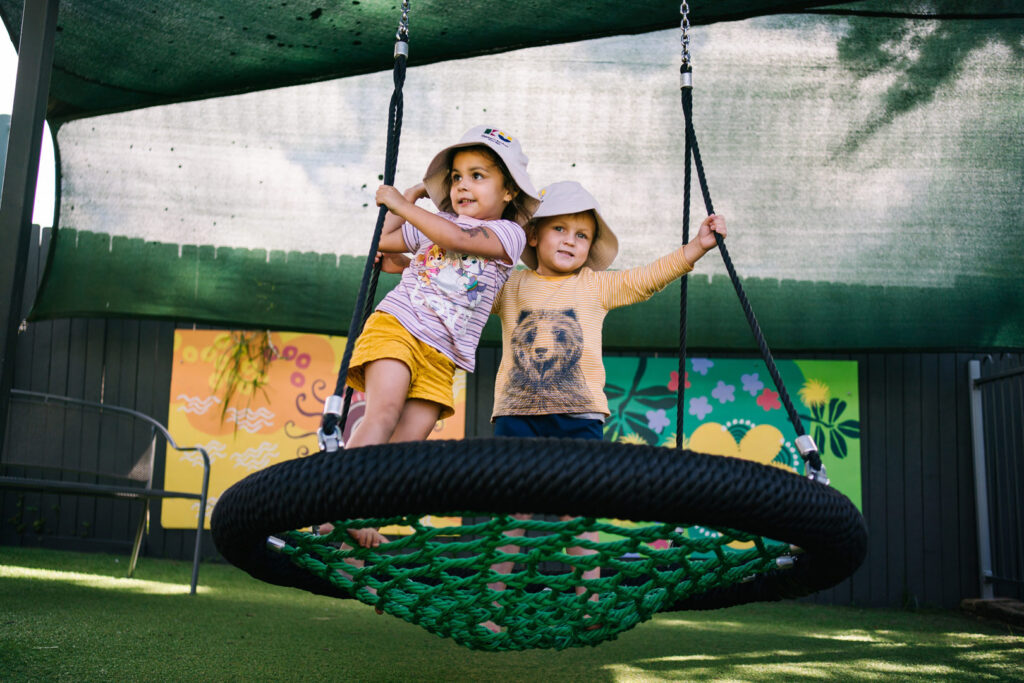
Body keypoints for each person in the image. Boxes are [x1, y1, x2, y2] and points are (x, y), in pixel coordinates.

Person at [485, 180, 727, 623]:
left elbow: (645, 279)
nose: (571, 241)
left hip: (578, 418)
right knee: (509, 516)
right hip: (517, 415)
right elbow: (458, 285)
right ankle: (492, 605)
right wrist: (404, 263)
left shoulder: (594, 287)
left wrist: (696, 247)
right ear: (534, 235)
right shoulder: (511, 286)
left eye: (582, 235)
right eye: (560, 229)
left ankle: (589, 604)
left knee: (577, 515)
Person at [321, 125, 540, 551]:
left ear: (509, 191)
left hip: (443, 355)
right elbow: (382, 241)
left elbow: (456, 238)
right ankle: (337, 502)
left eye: (478, 176)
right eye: (455, 177)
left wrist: (405, 204)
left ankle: (355, 524)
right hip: (400, 326)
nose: (462, 186)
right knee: (382, 412)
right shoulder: (433, 221)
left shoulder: (509, 234)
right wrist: (414, 194)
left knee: (406, 446)